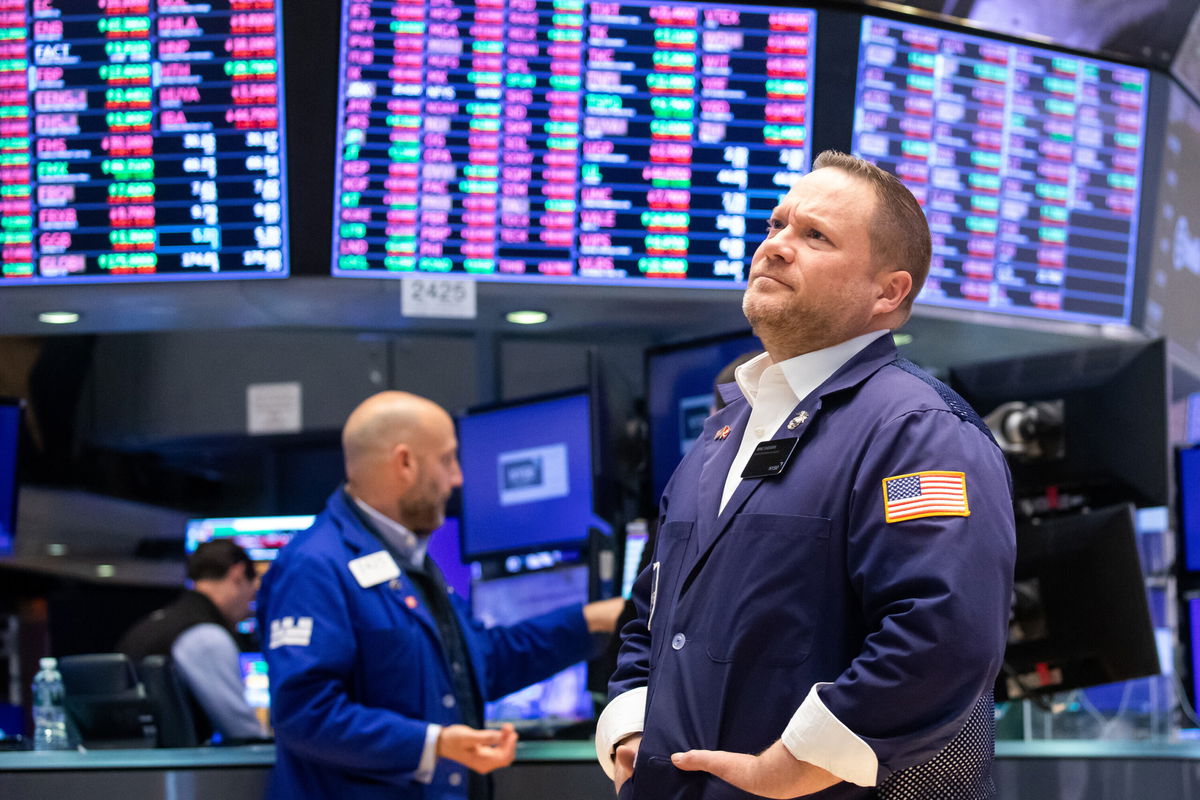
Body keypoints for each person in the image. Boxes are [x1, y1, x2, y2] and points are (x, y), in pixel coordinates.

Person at [596, 150, 1016, 799]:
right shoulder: (724, 429)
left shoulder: (917, 432)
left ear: (889, 291)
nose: (777, 246)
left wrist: (800, 760)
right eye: (775, 225)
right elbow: (651, 612)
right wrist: (629, 727)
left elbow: (942, 633)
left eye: (814, 235)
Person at [257, 390, 624, 800]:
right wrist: (434, 743)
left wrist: (595, 620)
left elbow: (483, 661)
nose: (458, 478)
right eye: (448, 460)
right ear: (405, 463)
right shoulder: (315, 566)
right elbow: (304, 714)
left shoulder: (410, 561)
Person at [118, 538, 266, 742]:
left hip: (134, 765)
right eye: (253, 594)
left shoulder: (151, 624)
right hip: (176, 769)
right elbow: (242, 732)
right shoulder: (206, 637)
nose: (250, 607)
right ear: (238, 575)